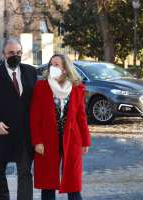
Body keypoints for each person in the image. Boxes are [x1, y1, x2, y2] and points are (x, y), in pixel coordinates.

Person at [0, 38, 37, 200]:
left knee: (25, 173)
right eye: (11, 53)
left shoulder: (31, 72)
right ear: (3, 54)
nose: (15, 56)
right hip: (1, 133)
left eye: (18, 53)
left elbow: (37, 102)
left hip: (25, 134)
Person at [30, 54, 91, 200]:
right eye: (51, 64)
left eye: (56, 64)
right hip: (47, 139)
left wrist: (85, 141)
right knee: (48, 181)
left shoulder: (77, 88)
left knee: (73, 181)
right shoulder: (42, 87)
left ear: (65, 68)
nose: (52, 67)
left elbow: (81, 117)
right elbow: (34, 117)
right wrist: (37, 141)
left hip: (72, 139)